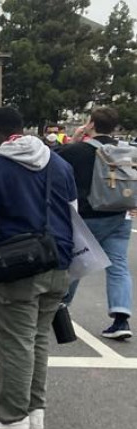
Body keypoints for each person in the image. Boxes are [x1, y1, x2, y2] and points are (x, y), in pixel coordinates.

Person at [0, 107, 76, 429]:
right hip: (59, 261)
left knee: (14, 343)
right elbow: (73, 215)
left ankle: (11, 418)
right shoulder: (59, 163)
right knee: (37, 339)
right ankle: (34, 410)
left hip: (18, 266)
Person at [58, 106, 133, 339]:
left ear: (90, 124)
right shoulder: (126, 151)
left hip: (88, 216)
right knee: (118, 266)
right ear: (116, 127)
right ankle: (121, 318)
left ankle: (61, 308)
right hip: (120, 215)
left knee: (76, 262)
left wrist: (77, 138)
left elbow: (52, 158)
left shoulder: (77, 151)